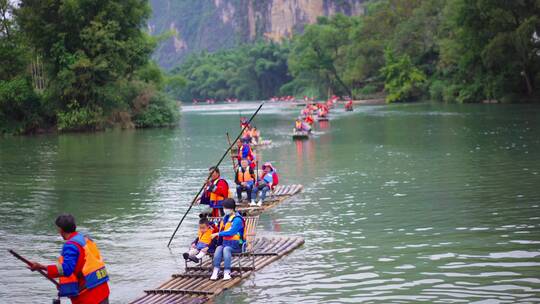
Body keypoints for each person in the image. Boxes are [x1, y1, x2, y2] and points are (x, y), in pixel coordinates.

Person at [28, 214, 110, 304]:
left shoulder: (71, 245)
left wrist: (41, 267)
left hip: (89, 296)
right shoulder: (85, 239)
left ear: (61, 230)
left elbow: (66, 269)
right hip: (102, 288)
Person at [210, 199, 245, 281]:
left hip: (237, 245)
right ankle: (215, 271)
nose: (224, 210)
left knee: (226, 249)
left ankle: (227, 272)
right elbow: (220, 228)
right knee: (219, 249)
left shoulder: (237, 220)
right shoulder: (226, 218)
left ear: (231, 209)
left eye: (225, 208)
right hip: (226, 243)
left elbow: (231, 232)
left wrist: (217, 234)